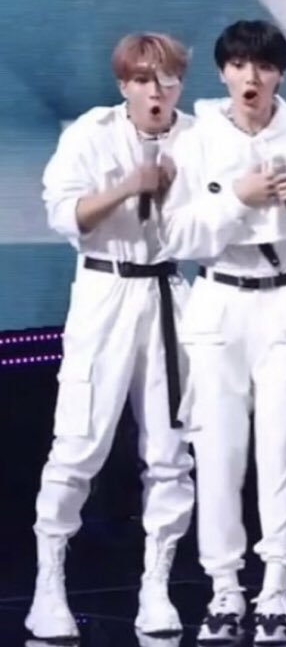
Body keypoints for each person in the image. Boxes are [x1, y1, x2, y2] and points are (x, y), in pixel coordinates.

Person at [161, 19, 286, 644]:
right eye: (239, 65)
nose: (250, 77)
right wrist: (238, 196)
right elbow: (177, 235)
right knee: (217, 453)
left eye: (262, 65)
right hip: (218, 304)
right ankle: (224, 588)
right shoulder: (197, 136)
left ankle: (276, 590)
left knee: (279, 451)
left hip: (285, 303)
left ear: (280, 72)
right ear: (223, 72)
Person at [27, 32, 195, 641]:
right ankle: (49, 587)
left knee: (171, 451)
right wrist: (129, 186)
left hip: (169, 293)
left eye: (167, 78)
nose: (157, 90)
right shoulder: (90, 134)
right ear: (124, 84)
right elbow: (62, 213)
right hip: (104, 292)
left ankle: (157, 586)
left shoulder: (199, 138)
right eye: (144, 79)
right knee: (79, 444)